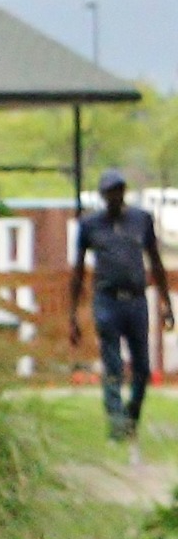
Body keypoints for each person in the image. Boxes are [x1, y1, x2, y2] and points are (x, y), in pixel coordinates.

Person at [68, 169, 173, 445]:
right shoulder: (90, 226)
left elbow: (155, 261)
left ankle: (131, 417)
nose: (116, 196)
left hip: (136, 300)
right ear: (103, 196)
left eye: (119, 190)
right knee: (113, 364)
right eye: (110, 191)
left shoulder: (141, 220)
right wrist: (73, 315)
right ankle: (116, 423)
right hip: (106, 300)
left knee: (142, 367)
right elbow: (78, 270)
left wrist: (166, 303)